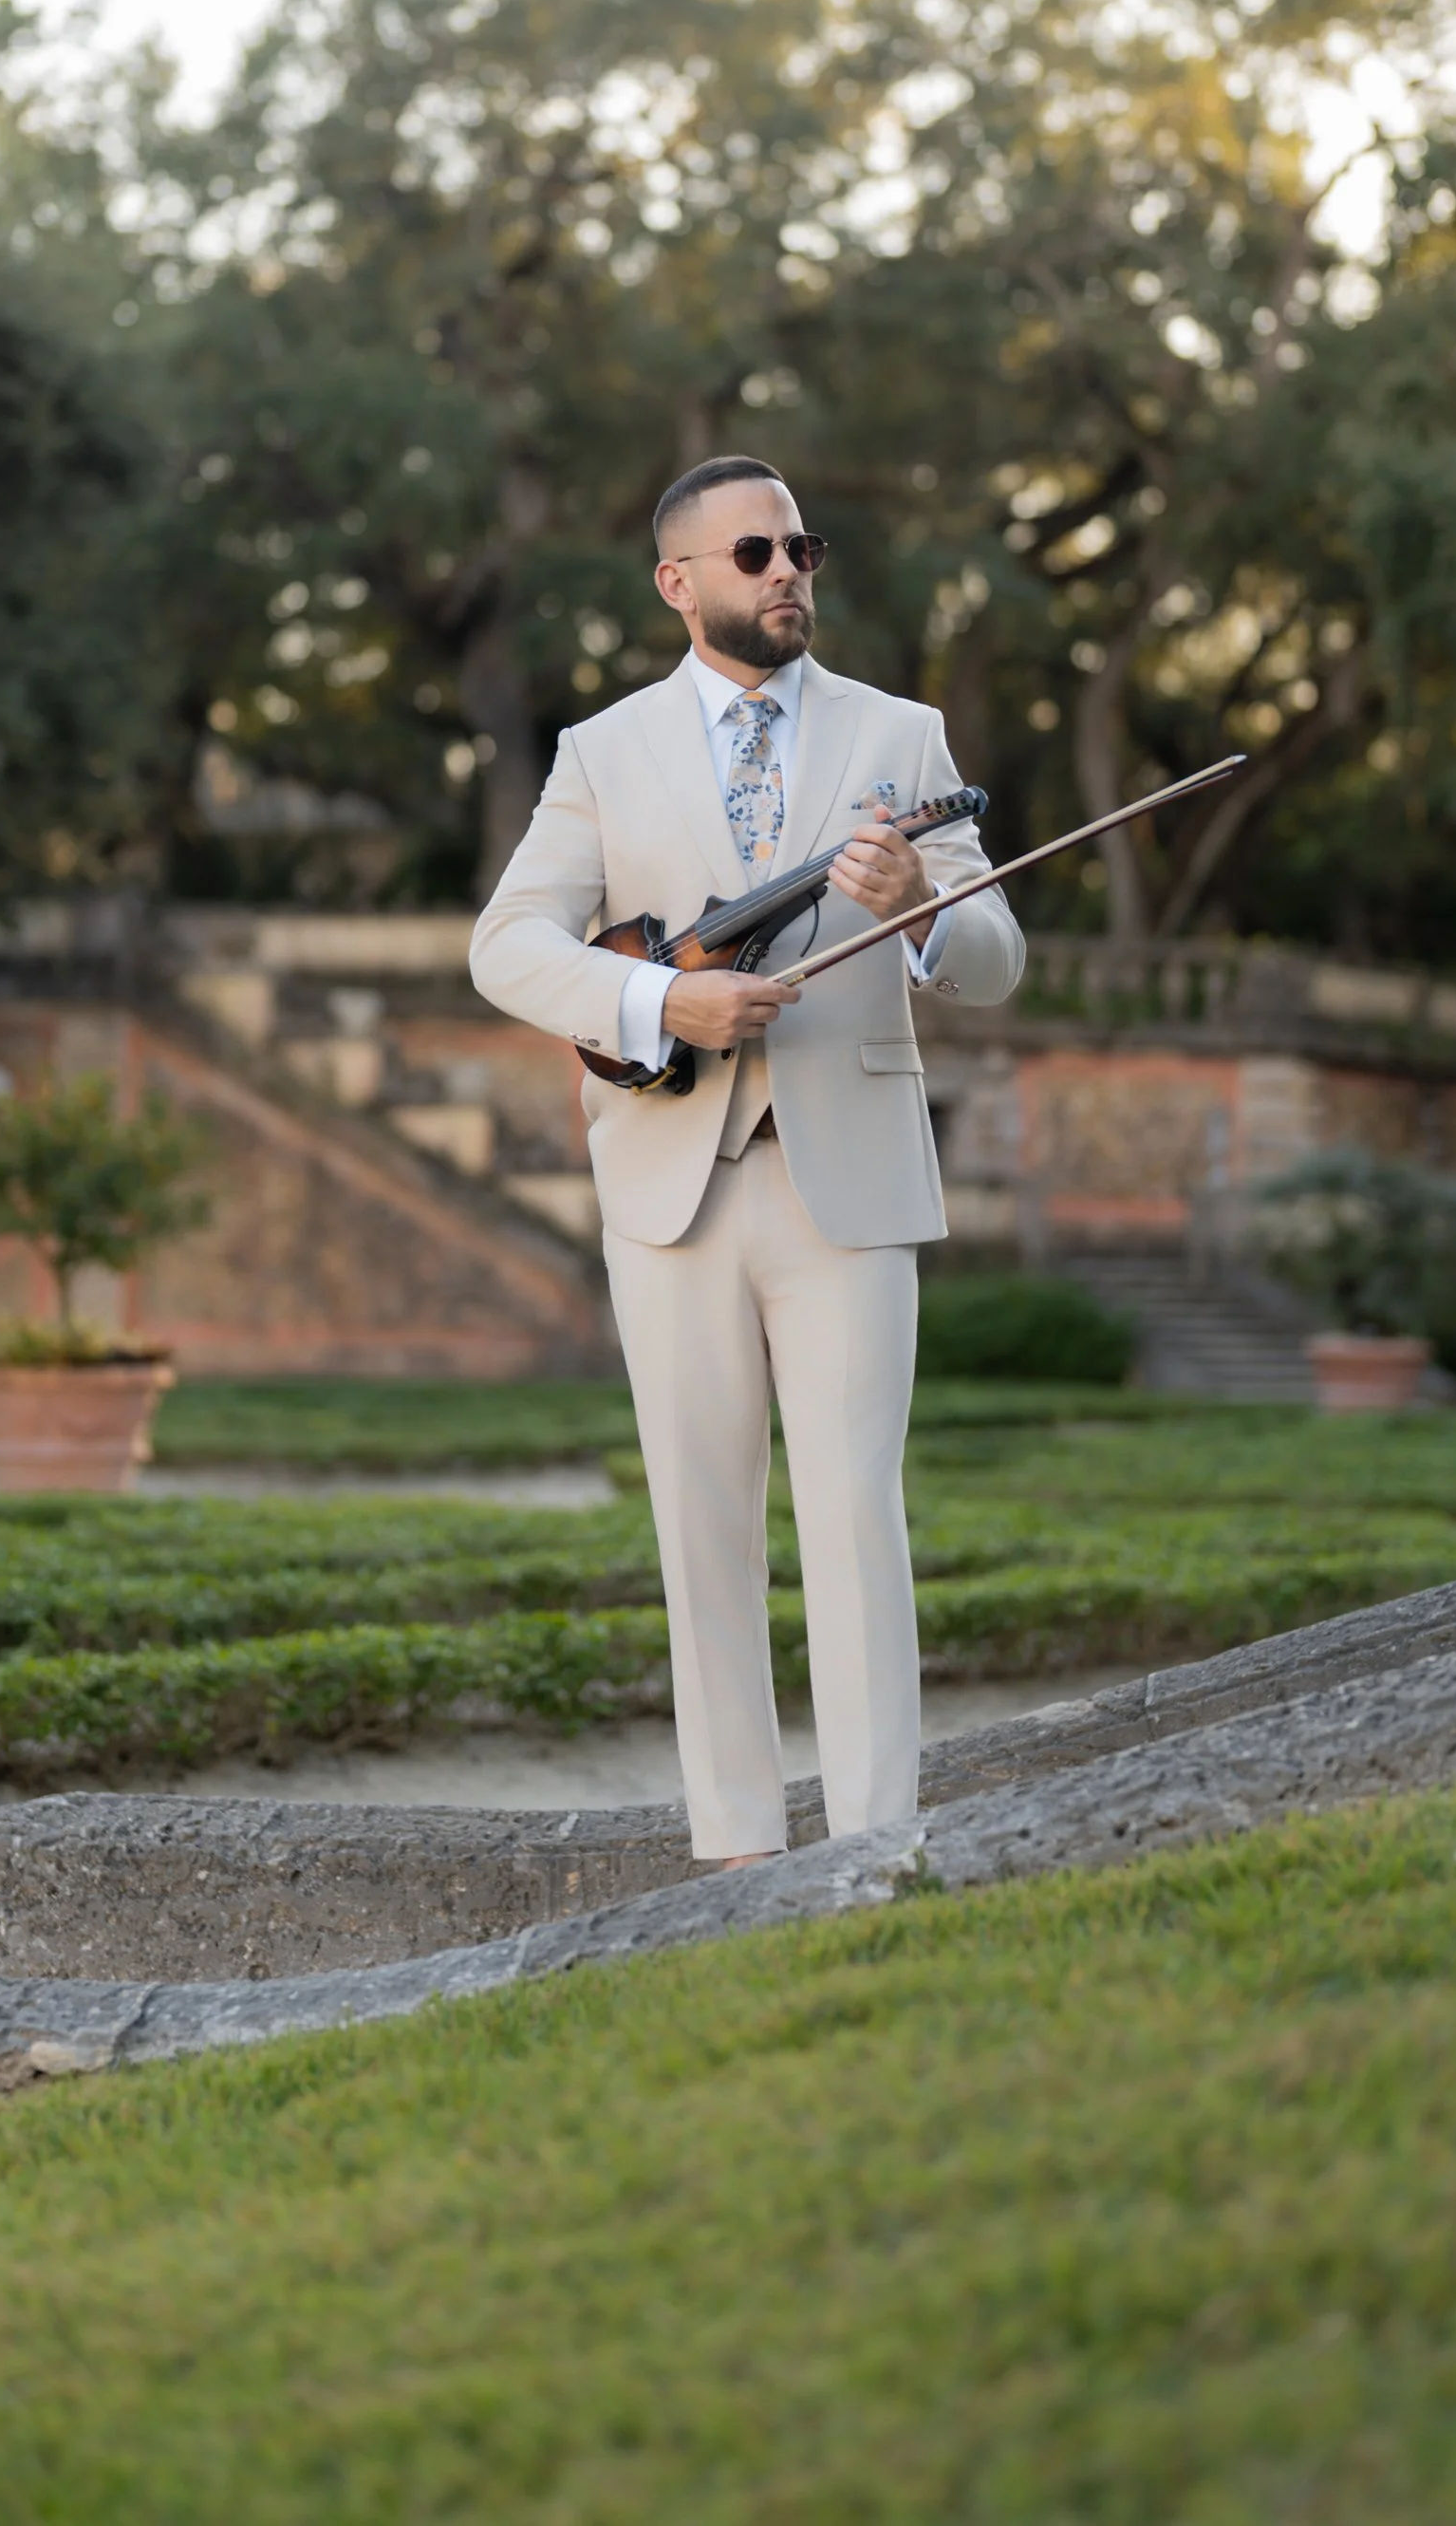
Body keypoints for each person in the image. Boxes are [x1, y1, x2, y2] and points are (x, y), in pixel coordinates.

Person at [469, 457, 1023, 1863]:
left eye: (803, 549)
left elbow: (999, 957)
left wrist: (916, 913)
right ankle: (731, 1853)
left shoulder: (904, 733)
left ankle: (876, 1847)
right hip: (673, 1182)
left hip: (850, 1179)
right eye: (757, 551)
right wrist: (663, 1002)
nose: (790, 572)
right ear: (681, 583)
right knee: (700, 1528)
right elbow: (509, 943)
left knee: (855, 1519)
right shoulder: (603, 749)